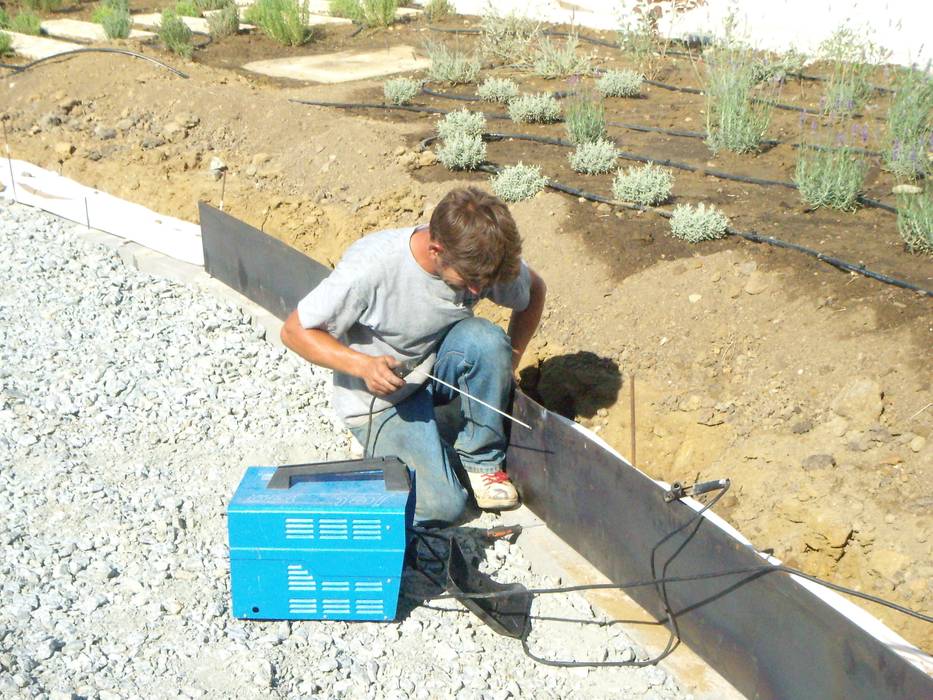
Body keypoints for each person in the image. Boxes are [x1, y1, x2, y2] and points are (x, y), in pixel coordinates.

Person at [280, 186, 546, 525]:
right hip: (381, 400)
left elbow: (534, 289)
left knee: (487, 340)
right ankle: (385, 449)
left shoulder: (480, 261)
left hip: (436, 377)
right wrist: (362, 366)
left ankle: (481, 461)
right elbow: (294, 331)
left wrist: (511, 362)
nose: (478, 291)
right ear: (436, 250)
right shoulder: (372, 269)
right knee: (444, 507)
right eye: (469, 282)